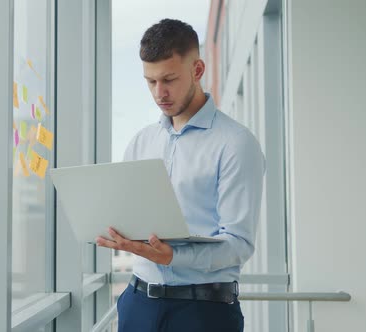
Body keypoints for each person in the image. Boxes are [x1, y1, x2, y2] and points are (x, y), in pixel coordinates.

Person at [96, 19, 265, 332]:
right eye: (151, 82)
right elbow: (129, 213)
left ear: (197, 70)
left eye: (169, 79)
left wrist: (173, 256)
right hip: (137, 303)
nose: (160, 93)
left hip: (202, 312)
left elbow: (238, 244)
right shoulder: (142, 141)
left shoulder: (236, 143)